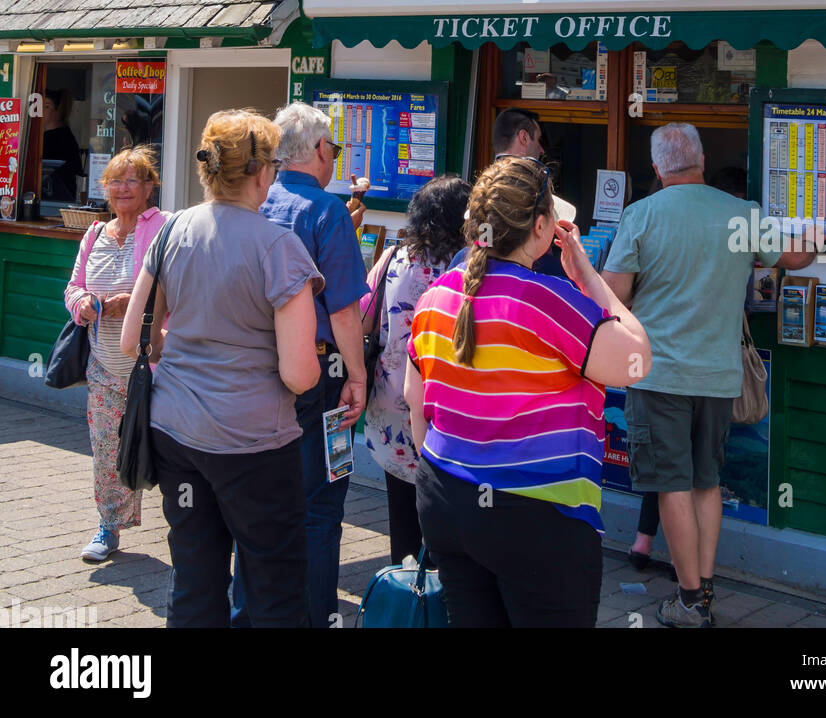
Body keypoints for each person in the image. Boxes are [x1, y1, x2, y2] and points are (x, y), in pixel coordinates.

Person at [405, 157, 650, 628]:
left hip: (446, 499)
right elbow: (636, 360)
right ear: (541, 226)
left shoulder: (436, 296)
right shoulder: (551, 300)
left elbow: (415, 401)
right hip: (538, 514)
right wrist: (589, 278)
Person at [602, 122, 817, 628]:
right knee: (706, 483)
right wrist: (820, 226)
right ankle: (706, 589)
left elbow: (612, 297)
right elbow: (798, 256)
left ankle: (690, 598)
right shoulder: (742, 215)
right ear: (701, 160)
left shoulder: (640, 215)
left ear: (657, 168)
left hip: (657, 376)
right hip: (719, 377)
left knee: (672, 484)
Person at [121, 110, 323, 628]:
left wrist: (192, 344)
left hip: (175, 433)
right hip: (253, 445)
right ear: (261, 173)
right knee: (274, 585)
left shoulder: (172, 231)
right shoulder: (279, 248)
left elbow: (133, 340)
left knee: (195, 575)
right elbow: (300, 375)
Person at [231, 101, 369, 629]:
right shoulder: (326, 210)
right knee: (319, 505)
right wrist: (356, 376)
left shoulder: (255, 201)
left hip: (258, 368)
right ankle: (315, 618)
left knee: (258, 503)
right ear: (316, 149)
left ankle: (249, 615)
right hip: (319, 375)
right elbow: (343, 309)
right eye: (333, 147)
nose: (334, 157)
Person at [63, 146, 168, 563]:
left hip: (157, 367)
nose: (122, 188)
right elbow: (72, 287)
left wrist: (139, 306)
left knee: (169, 450)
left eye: (132, 180)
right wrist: (84, 302)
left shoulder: (163, 228)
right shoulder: (94, 234)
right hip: (104, 365)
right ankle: (109, 526)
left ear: (148, 187)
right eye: (115, 180)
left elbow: (177, 289)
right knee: (107, 451)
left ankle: (191, 529)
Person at [361, 174, 471, 565]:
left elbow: (364, 313)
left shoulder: (393, 257)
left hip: (389, 403)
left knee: (402, 515)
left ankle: (403, 591)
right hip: (441, 410)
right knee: (445, 522)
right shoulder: (466, 272)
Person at [449, 108, 570, 278]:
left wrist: (482, 255)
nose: (542, 150)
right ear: (524, 137)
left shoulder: (486, 186)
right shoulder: (550, 272)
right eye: (539, 140)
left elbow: (485, 242)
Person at [43, 90, 84, 203]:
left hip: (57, 200)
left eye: (46, 106)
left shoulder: (60, 138)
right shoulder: (51, 136)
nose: (41, 111)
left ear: (59, 110)